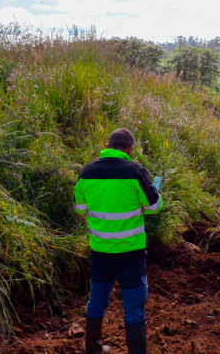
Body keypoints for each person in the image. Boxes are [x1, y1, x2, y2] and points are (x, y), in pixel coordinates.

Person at [74, 128, 162, 354]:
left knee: (97, 299)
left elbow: (80, 207)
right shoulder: (135, 171)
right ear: (129, 149)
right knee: (133, 305)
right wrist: (156, 192)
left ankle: (93, 348)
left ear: (108, 145)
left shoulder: (87, 172)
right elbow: (153, 206)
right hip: (130, 254)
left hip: (100, 251)